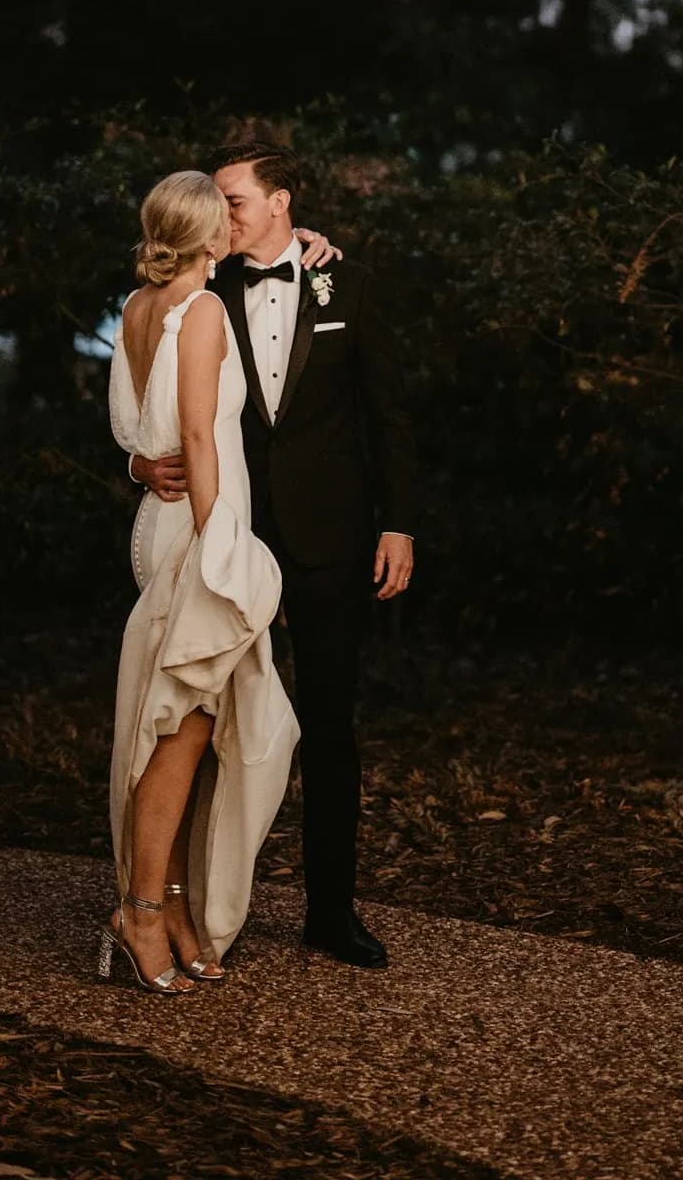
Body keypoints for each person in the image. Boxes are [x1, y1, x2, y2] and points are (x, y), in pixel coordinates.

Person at [131, 141, 416, 968]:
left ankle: (330, 911)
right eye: (215, 200)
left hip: (331, 541)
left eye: (234, 198)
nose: (221, 213)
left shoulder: (346, 284)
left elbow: (386, 414)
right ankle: (186, 904)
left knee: (329, 727)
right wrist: (138, 464)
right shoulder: (201, 286)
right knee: (200, 720)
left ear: (281, 200)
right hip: (228, 532)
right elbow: (153, 399)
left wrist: (397, 523)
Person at [102, 169, 301, 994]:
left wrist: (137, 466)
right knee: (178, 734)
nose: (234, 229)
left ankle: (178, 906)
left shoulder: (137, 307)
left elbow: (129, 428)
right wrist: (230, 552)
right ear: (210, 237)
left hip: (161, 521)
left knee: (194, 728)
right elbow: (197, 433)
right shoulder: (207, 308)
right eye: (226, 218)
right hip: (199, 533)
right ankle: (141, 912)